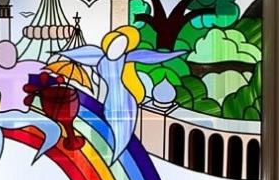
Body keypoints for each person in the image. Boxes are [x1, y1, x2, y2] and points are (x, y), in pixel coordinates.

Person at [57, 25, 184, 165]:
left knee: (122, 127)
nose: (117, 47)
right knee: (100, 125)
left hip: (122, 97)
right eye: (116, 43)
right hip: (102, 95)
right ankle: (103, 154)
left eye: (122, 45)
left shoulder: (125, 58)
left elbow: (152, 57)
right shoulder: (98, 57)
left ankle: (116, 155)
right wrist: (62, 54)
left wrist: (175, 54)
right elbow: (78, 55)